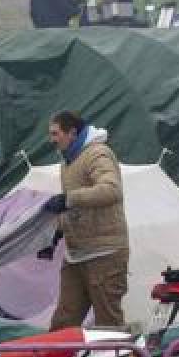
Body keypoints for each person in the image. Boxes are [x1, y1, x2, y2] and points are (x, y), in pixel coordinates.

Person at [40, 111, 130, 330]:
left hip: (104, 253)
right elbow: (73, 208)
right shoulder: (67, 162)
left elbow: (111, 190)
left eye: (55, 133)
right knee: (63, 321)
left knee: (109, 325)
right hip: (77, 254)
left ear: (72, 132)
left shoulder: (98, 154)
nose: (51, 139)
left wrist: (69, 198)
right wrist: (55, 234)